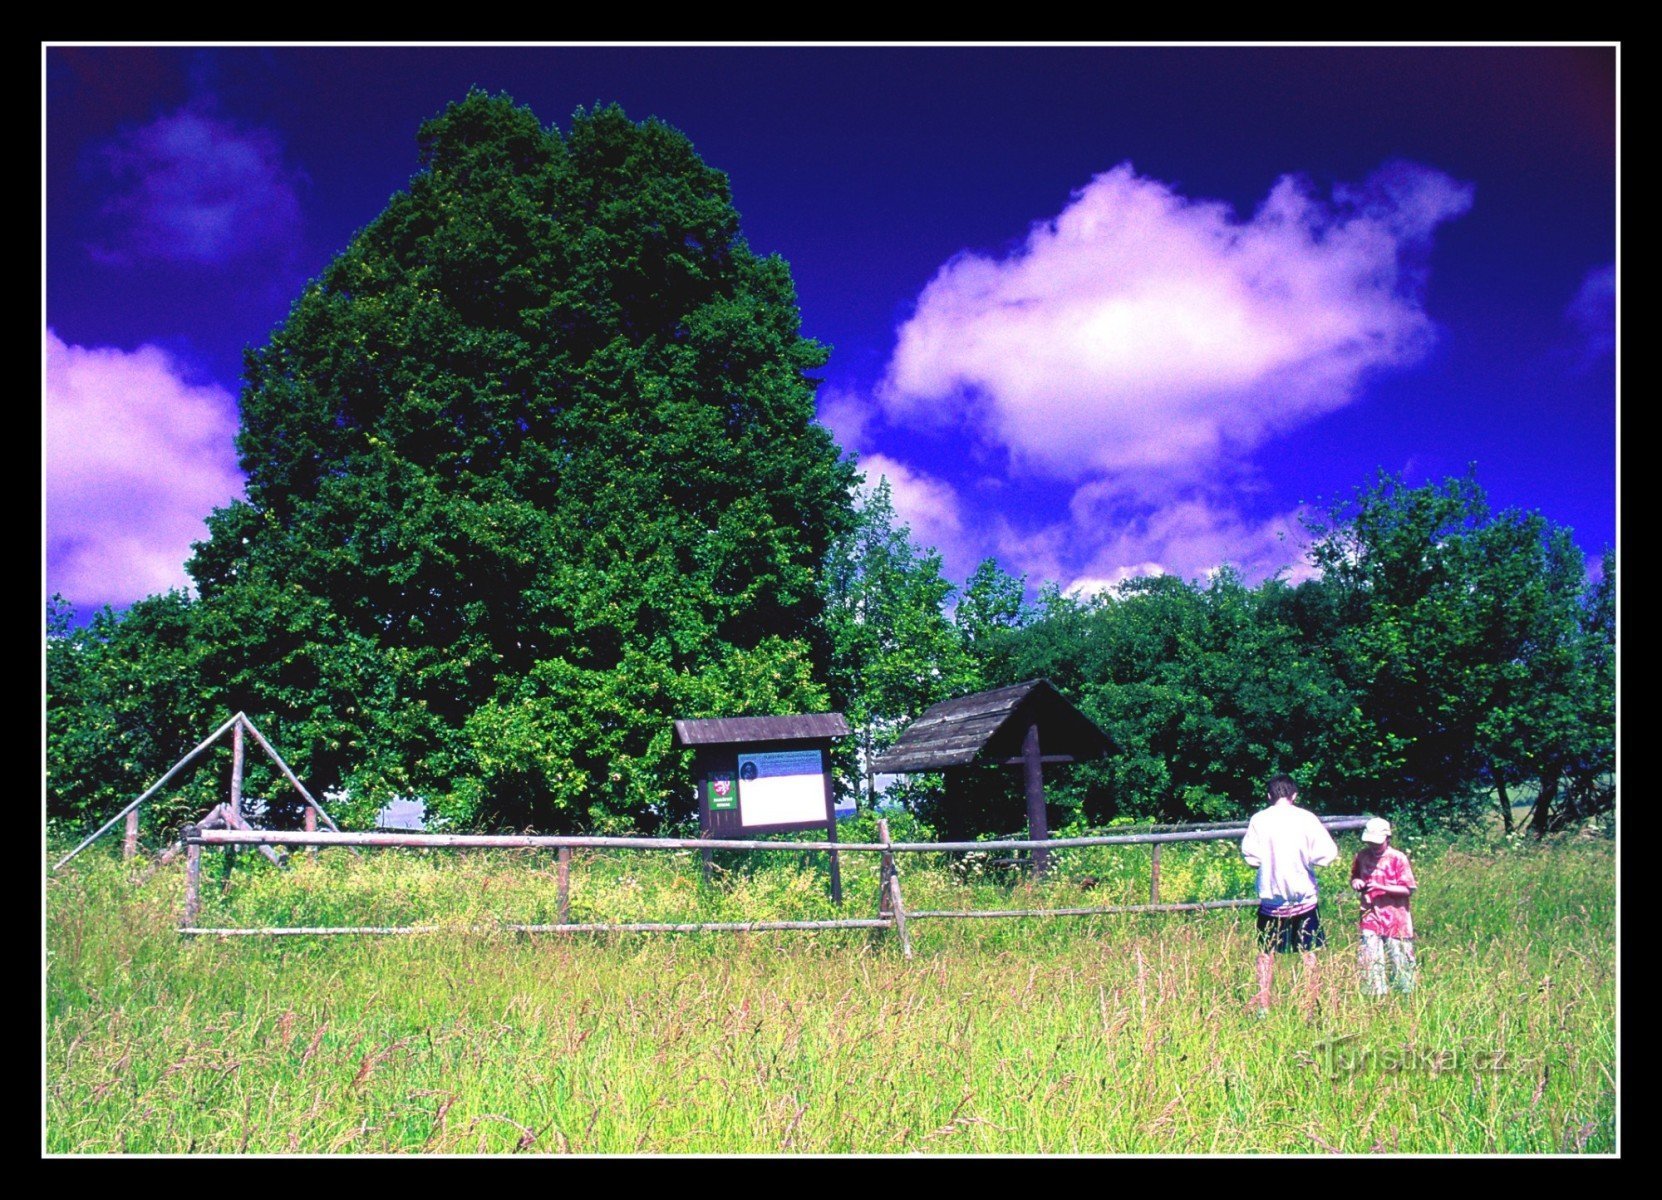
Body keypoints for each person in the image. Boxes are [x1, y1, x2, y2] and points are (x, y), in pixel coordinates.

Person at [1240, 774, 1339, 1015]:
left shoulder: (1259, 820)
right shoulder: (1306, 819)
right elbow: (1327, 854)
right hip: (1303, 898)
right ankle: (1310, 1006)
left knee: (1266, 953)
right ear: (1294, 795)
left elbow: (1251, 857)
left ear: (1269, 796)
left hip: (1271, 901)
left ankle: (1263, 1007)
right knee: (1309, 953)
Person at [1350, 817, 1417, 995]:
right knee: (1370, 959)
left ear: (1387, 838)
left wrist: (1382, 887)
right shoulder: (1362, 856)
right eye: (1370, 842)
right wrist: (1356, 882)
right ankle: (1375, 996)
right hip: (1370, 916)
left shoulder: (1398, 858)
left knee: (1399, 958)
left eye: (1377, 843)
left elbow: (1408, 889)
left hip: (1396, 918)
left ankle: (1405, 995)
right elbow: (1355, 876)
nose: (1373, 846)